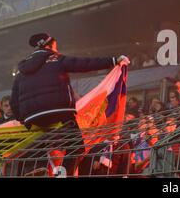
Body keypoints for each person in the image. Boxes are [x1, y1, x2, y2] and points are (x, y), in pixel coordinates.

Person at [10, 33, 129, 176]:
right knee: (77, 146)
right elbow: (84, 64)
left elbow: (13, 101)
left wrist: (23, 119)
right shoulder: (56, 59)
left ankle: (37, 168)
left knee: (39, 145)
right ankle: (65, 173)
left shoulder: (22, 70)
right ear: (50, 45)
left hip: (33, 119)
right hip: (59, 113)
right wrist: (113, 60)